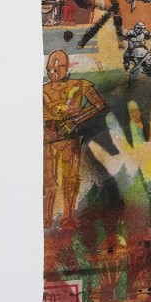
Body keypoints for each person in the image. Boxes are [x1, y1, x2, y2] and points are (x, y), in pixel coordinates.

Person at [42, 50, 104, 228]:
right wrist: (46, 132)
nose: (52, 73)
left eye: (56, 69)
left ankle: (67, 218)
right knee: (48, 180)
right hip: (48, 140)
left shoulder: (79, 84)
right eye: (49, 69)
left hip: (70, 138)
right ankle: (46, 218)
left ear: (66, 67)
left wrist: (75, 120)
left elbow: (99, 103)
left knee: (70, 179)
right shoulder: (43, 89)